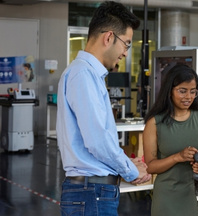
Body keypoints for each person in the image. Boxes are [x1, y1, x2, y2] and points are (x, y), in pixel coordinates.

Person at [56, 2, 151, 216]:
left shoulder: (89, 75)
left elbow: (97, 139)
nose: (126, 53)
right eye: (126, 44)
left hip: (93, 192)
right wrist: (131, 170)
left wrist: (126, 162)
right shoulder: (83, 75)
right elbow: (97, 141)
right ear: (108, 38)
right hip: (92, 194)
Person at [143, 64, 198, 216]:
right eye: (182, 91)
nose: (188, 97)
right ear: (169, 91)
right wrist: (177, 157)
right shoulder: (155, 123)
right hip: (168, 200)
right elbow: (150, 167)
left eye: (193, 92)